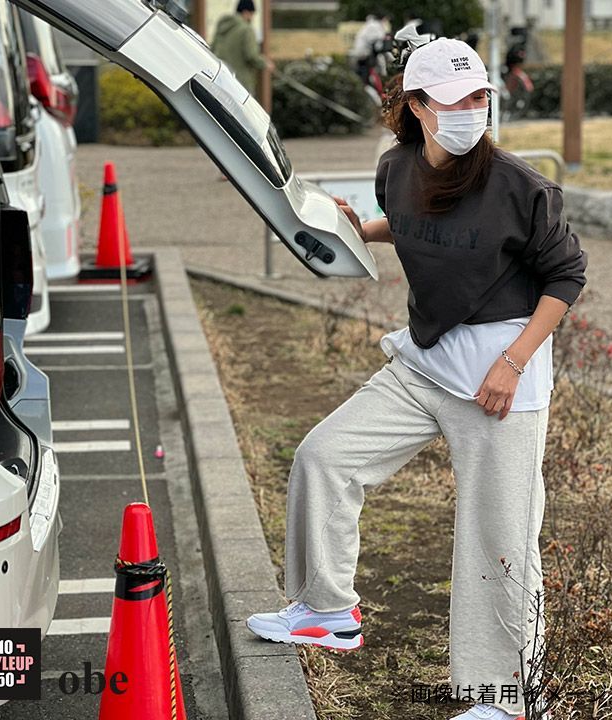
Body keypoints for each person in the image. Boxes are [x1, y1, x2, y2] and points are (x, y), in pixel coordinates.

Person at [246, 36, 587, 720]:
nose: (473, 110)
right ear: (418, 106)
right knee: (323, 457)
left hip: (501, 381)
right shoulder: (396, 168)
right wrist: (357, 230)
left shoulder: (521, 187)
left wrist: (514, 362)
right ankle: (325, 611)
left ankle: (511, 700)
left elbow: (566, 276)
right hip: (426, 360)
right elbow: (413, 223)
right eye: (457, 99)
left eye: (482, 97)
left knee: (499, 536)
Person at [210, 0, 274, 99]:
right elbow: (251, 55)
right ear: (246, 12)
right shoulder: (246, 30)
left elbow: (212, 49)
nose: (252, 18)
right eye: (252, 14)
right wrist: (265, 64)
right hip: (240, 83)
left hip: (221, 80)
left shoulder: (222, 28)